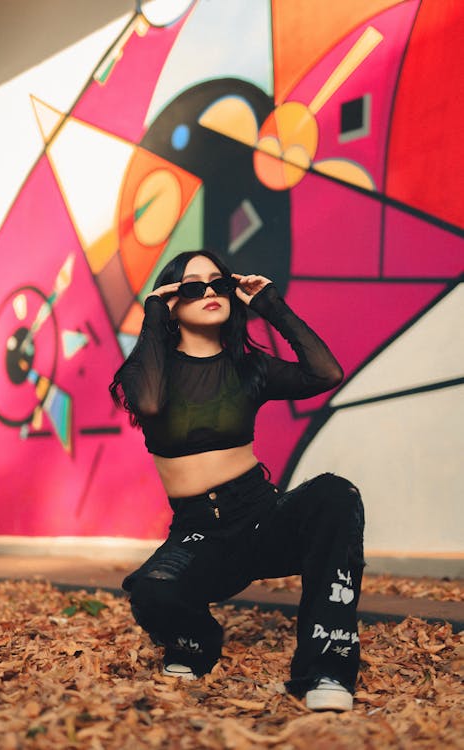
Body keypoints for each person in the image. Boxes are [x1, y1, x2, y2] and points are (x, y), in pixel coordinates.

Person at [110, 250, 365, 711]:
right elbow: (147, 403)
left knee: (335, 493)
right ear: (172, 303)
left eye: (218, 283)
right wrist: (151, 313)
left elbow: (326, 373)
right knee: (152, 592)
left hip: (260, 515)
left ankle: (327, 667)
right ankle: (198, 644)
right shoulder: (150, 375)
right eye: (191, 287)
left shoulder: (249, 368)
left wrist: (270, 305)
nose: (209, 291)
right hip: (199, 532)